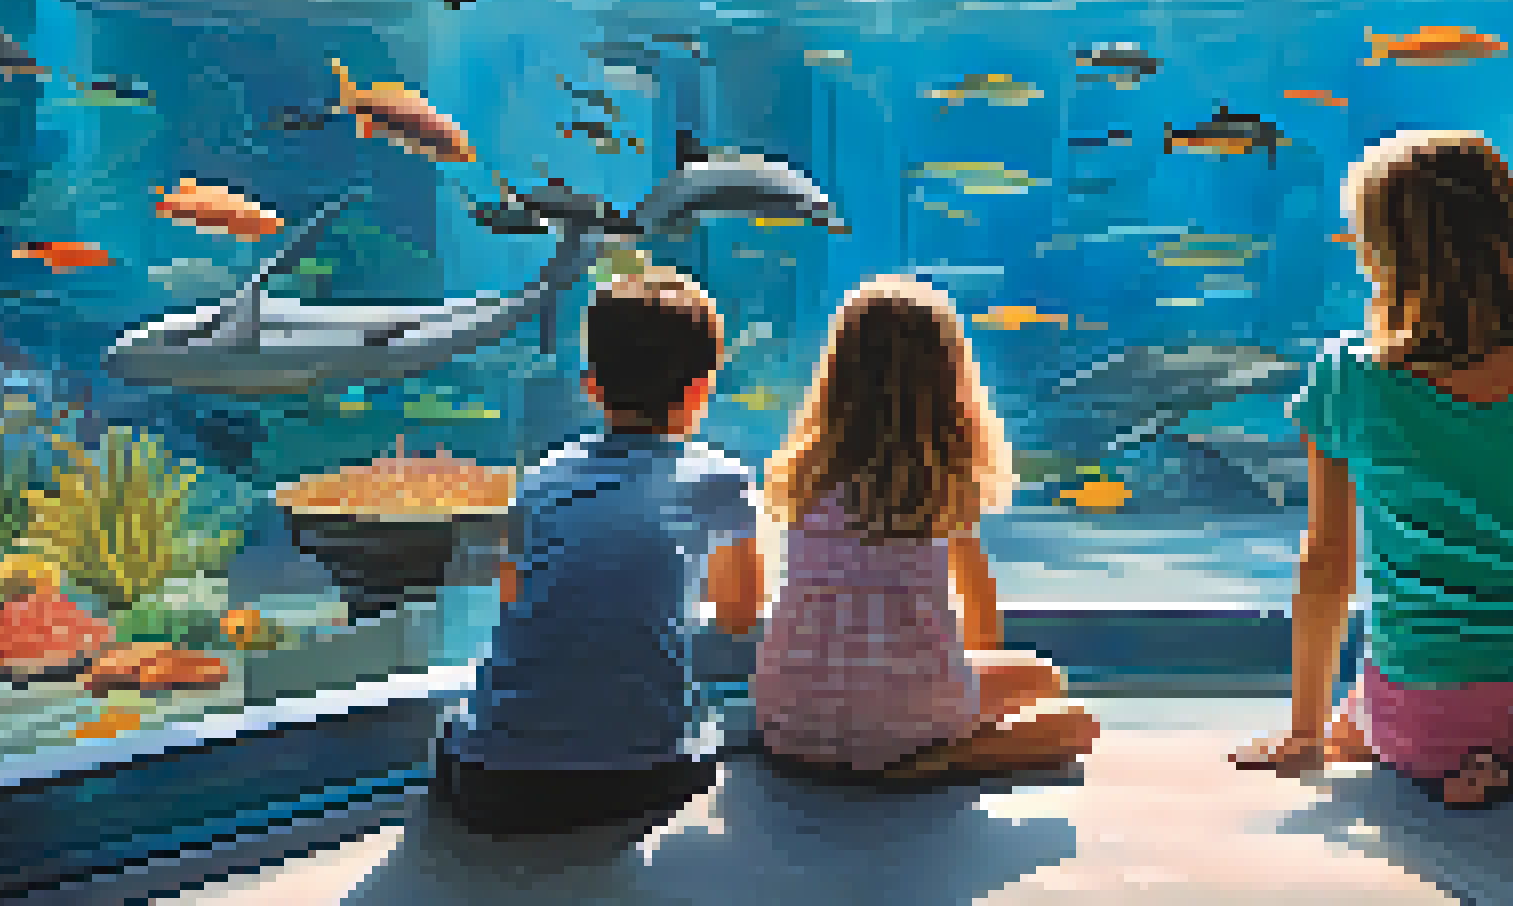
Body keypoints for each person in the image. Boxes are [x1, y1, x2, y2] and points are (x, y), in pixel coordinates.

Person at [1232, 132, 1513, 807]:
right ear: (1512, 238)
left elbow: (1326, 564)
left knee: (1361, 718)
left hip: (1423, 715)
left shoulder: (1349, 377)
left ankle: (1434, 755)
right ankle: (1500, 765)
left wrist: (1302, 731)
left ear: (1381, 256)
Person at [438, 266, 766, 834]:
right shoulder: (722, 482)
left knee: (452, 721)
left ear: (591, 384)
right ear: (701, 389)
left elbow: (513, 600)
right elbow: (740, 618)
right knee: (714, 725)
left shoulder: (539, 480)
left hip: (495, 781)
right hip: (647, 777)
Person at [751, 274, 1100, 780]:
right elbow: (982, 625)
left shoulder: (802, 478)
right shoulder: (942, 485)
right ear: (948, 380)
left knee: (1022, 681)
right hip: (912, 720)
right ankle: (931, 761)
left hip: (788, 724)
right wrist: (963, 689)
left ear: (836, 374)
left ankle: (896, 742)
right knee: (1062, 705)